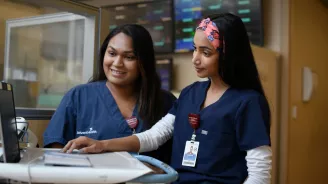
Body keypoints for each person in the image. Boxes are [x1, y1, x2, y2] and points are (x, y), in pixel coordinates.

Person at [62, 13, 272, 184]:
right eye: (194, 49)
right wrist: (102, 145)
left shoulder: (248, 102)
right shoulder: (191, 93)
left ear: (227, 55)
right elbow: (154, 136)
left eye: (206, 52)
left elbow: (260, 173)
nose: (195, 59)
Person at [43, 24, 177, 164]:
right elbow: (56, 153)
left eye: (129, 57)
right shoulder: (78, 97)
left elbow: (178, 156)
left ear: (144, 62)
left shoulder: (165, 102)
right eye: (112, 53)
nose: (117, 63)